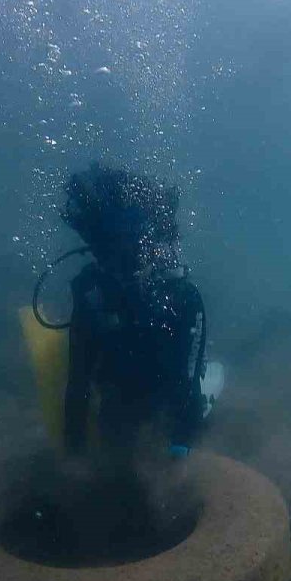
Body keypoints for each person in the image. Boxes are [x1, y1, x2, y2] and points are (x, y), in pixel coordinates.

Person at [60, 162, 218, 457]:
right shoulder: (91, 295)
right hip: (118, 407)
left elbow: (187, 388)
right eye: (114, 250)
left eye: (134, 249)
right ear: (99, 250)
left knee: (201, 408)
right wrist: (73, 455)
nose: (126, 263)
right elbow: (78, 380)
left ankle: (214, 387)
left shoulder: (182, 296)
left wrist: (180, 449)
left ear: (152, 244)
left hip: (172, 407)